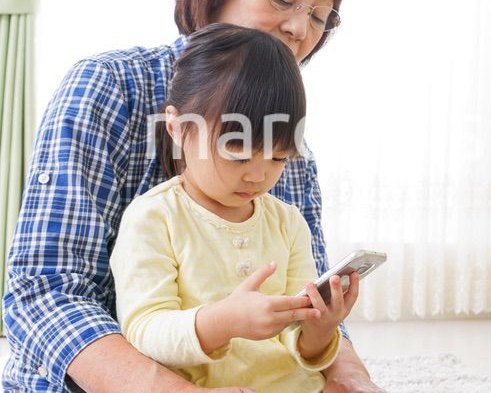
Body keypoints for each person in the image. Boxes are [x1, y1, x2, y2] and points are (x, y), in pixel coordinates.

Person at [3, 0, 383, 392]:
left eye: (320, 16)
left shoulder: (287, 140)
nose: (299, 28)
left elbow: (302, 299)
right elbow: (43, 292)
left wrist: (348, 373)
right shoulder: (110, 86)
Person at [110, 23, 357, 392]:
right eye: (237, 154)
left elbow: (300, 341)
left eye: (278, 157)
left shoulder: (287, 223)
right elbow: (145, 328)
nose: (258, 176)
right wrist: (221, 322)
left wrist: (319, 329)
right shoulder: (154, 218)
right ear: (177, 128)